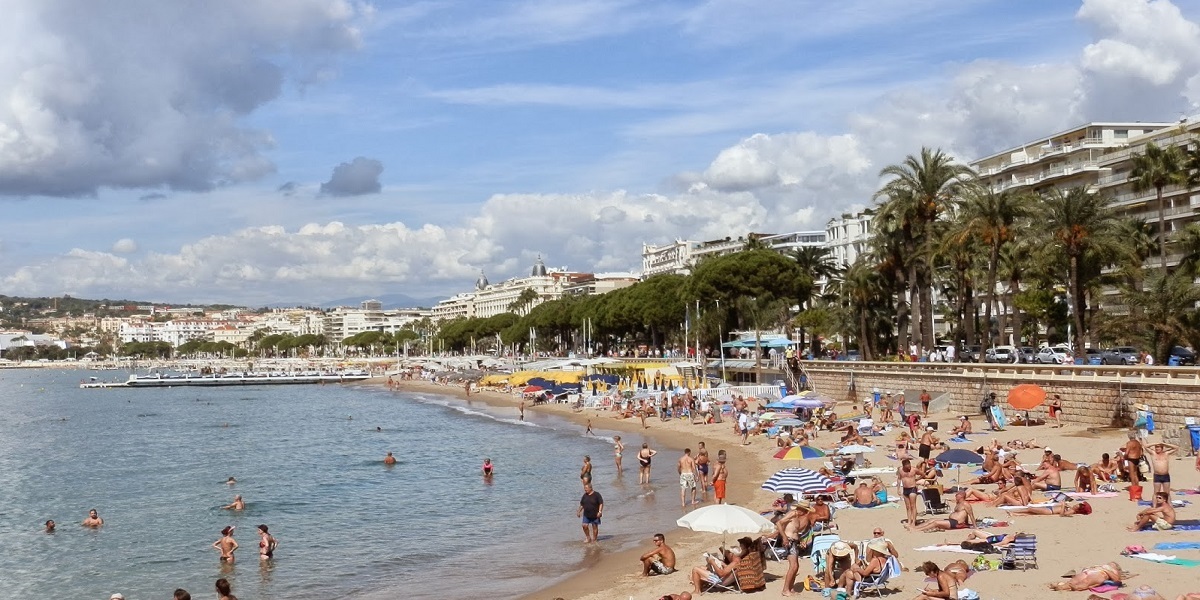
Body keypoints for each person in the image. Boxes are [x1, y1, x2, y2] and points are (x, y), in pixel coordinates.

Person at [910, 490, 974, 532]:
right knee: (931, 520)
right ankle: (916, 527)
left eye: (957, 495)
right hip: (952, 521)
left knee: (936, 523)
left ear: (961, 496)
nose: (955, 496)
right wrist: (967, 522)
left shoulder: (965, 504)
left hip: (956, 523)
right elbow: (965, 515)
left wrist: (974, 526)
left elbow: (971, 515)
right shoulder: (958, 503)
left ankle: (917, 530)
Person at [1048, 561, 1122, 591]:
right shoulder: (1102, 565)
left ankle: (1067, 587)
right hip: (1091, 570)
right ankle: (1062, 586)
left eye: (1113, 563)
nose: (1111, 563)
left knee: (1085, 582)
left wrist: (1106, 570)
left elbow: (1117, 580)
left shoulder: (1114, 570)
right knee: (1073, 581)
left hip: (1100, 573)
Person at [899, 458, 921, 526]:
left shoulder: (914, 469)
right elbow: (899, 479)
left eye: (909, 466)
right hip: (905, 489)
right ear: (903, 466)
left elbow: (922, 474)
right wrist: (898, 488)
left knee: (913, 506)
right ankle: (909, 521)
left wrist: (917, 480)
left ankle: (913, 522)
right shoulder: (900, 470)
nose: (909, 468)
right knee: (907, 507)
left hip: (912, 488)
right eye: (907, 467)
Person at [1008, 500, 1092, 517]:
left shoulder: (1072, 511)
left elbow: (1063, 515)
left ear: (1078, 509)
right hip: (1050, 508)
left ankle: (1015, 511)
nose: (1076, 505)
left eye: (1077, 505)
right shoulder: (1072, 508)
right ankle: (1015, 514)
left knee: (1030, 509)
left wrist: (1063, 506)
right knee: (1031, 513)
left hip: (1050, 511)